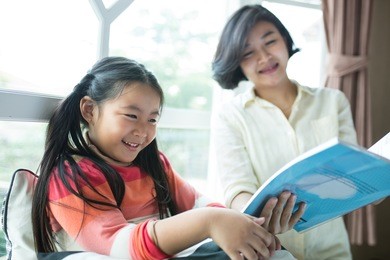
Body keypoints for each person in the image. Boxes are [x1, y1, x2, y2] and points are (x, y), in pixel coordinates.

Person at [31, 56, 299, 260]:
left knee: (270, 251)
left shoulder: (154, 164)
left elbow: (197, 203)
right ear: (90, 110)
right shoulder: (70, 176)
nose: (143, 130)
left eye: (152, 119)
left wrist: (250, 222)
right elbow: (119, 248)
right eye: (131, 116)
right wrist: (209, 222)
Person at [211, 4, 357, 260]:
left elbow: (352, 172)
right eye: (248, 53)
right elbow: (237, 189)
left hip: (333, 249)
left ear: (286, 41)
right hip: (271, 251)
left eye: (270, 42)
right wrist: (256, 215)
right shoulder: (231, 115)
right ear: (236, 63)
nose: (265, 57)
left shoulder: (334, 101)